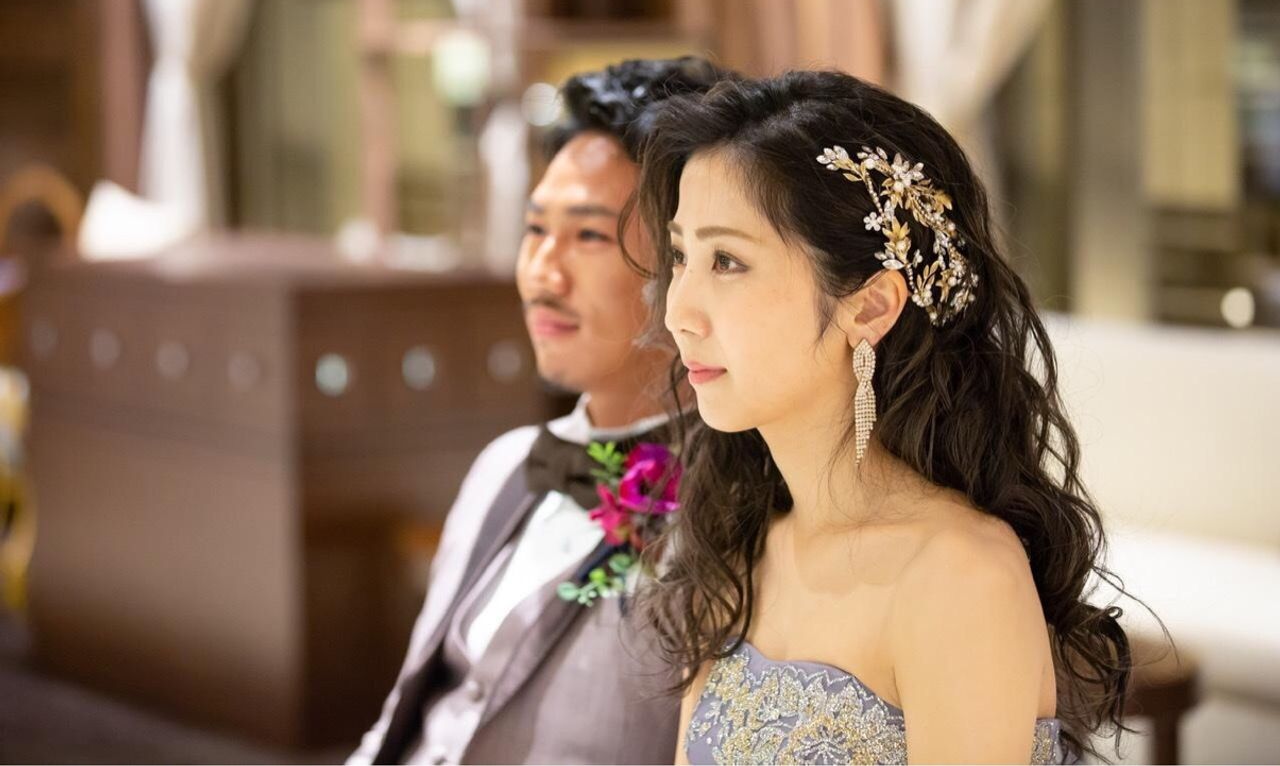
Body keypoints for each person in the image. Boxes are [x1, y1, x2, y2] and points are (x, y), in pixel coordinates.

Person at [621, 70, 1138, 764]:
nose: (678, 310)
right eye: (682, 255)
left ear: (869, 307)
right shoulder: (737, 550)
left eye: (728, 261)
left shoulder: (958, 575)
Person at [348, 56, 733, 765]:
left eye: (588, 236)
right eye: (534, 230)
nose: (542, 273)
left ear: (686, 262)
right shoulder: (506, 465)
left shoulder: (733, 513)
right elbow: (405, 716)